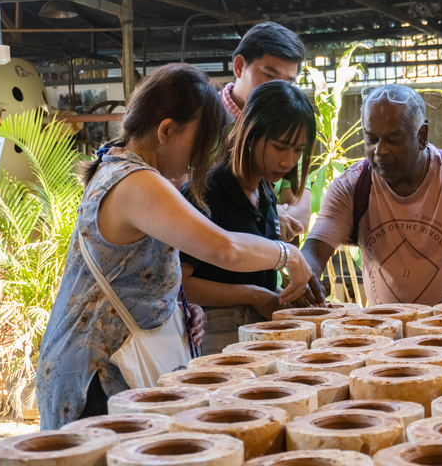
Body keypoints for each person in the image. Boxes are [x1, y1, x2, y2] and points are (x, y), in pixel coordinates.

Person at [36, 64, 315, 430]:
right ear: (165, 130)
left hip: (108, 363)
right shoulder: (135, 181)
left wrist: (177, 311)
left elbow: (140, 273)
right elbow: (223, 248)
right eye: (197, 145)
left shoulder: (124, 169)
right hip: (96, 374)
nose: (199, 159)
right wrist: (287, 253)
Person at [304, 84, 442, 306]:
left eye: (393, 140)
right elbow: (316, 247)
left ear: (422, 135)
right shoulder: (352, 185)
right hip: (388, 333)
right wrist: (304, 271)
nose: (380, 150)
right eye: (371, 139)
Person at [180, 80, 316, 354]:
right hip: (215, 340)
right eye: (280, 147)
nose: (289, 161)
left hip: (260, 337)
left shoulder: (265, 191)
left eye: (298, 150)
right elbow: (181, 285)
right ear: (251, 133)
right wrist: (252, 295)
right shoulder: (205, 192)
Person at [222, 21, 311, 242]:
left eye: (288, 82)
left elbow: (301, 212)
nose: (279, 90)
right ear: (239, 66)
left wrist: (269, 217)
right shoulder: (203, 120)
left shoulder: (290, 129)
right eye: (269, 76)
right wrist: (270, 214)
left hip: (268, 269)